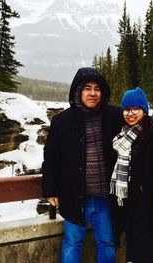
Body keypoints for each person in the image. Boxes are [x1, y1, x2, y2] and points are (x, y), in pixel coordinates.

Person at [42, 67, 122, 263]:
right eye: (87, 88)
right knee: (72, 242)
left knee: (107, 242)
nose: (93, 93)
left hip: (106, 197)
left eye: (97, 88)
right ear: (77, 91)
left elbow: (141, 123)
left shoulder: (114, 116)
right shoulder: (62, 121)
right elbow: (51, 157)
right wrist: (51, 189)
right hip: (75, 196)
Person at [110, 87, 153, 263]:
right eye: (127, 109)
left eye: (135, 109)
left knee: (148, 256)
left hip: (149, 210)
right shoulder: (122, 136)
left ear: (144, 111)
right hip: (131, 208)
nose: (130, 114)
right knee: (138, 255)